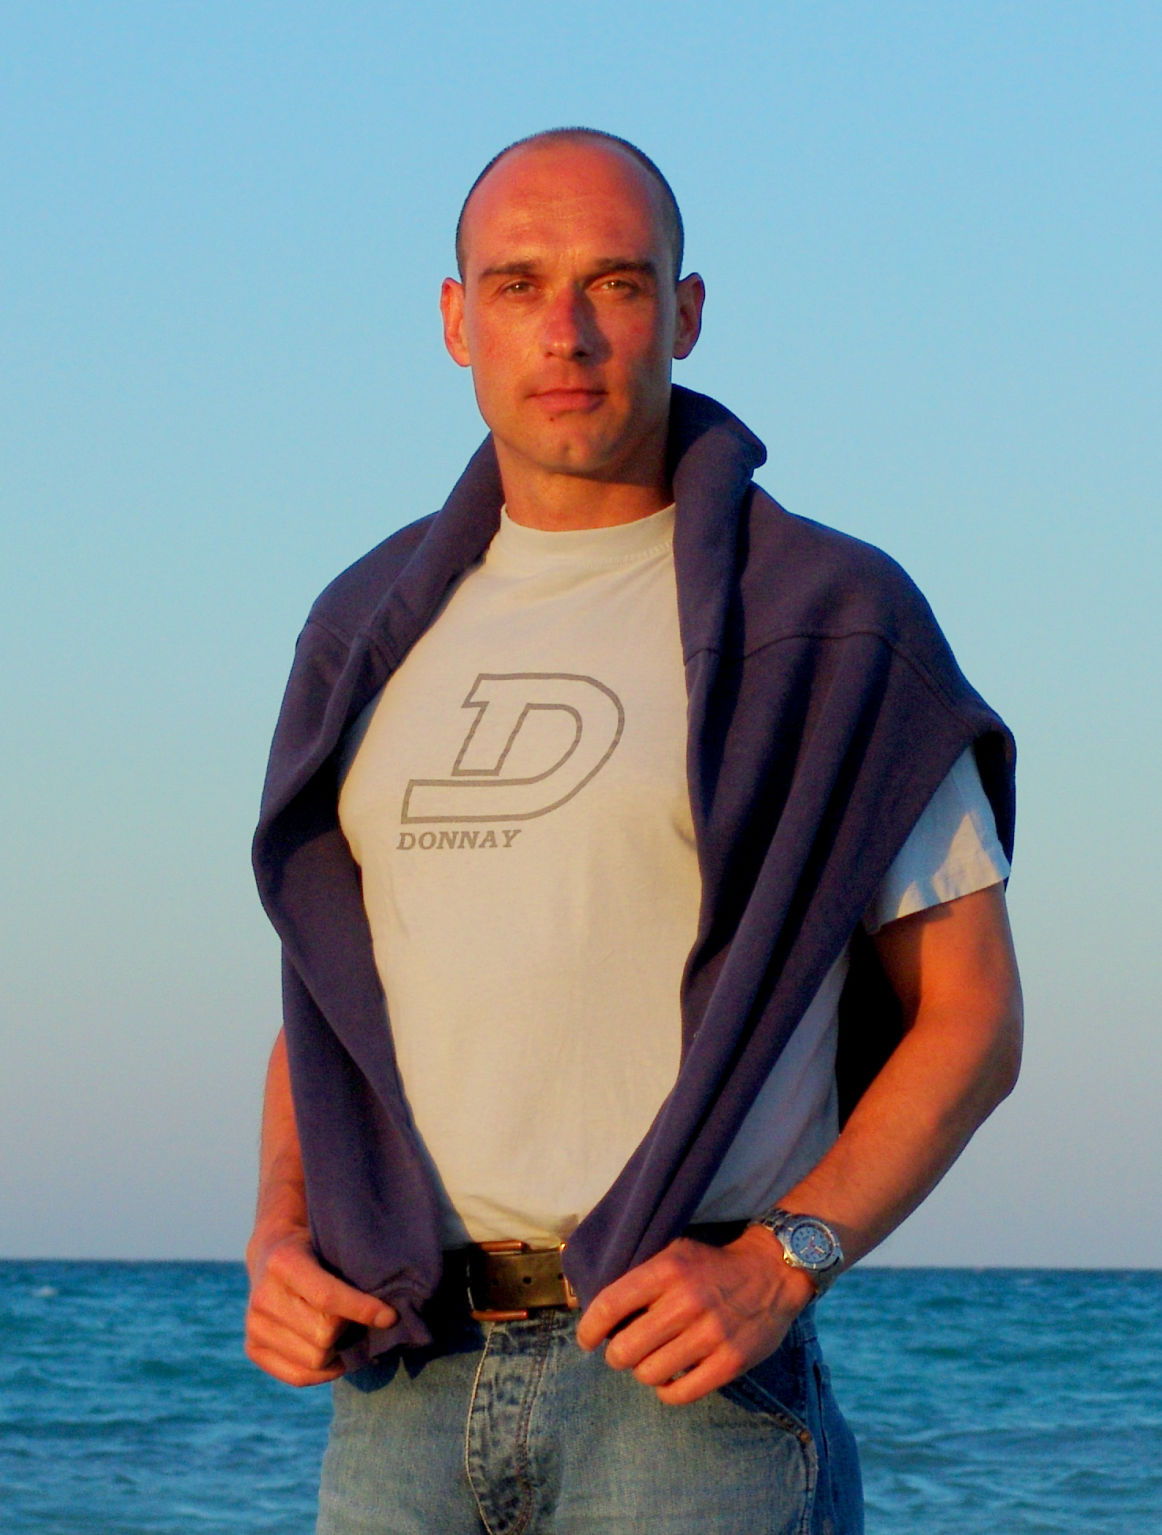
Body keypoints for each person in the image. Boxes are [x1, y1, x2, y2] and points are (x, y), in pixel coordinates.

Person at [246, 127, 1022, 1534]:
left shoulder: (830, 624)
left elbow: (969, 1018)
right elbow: (337, 1004)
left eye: (614, 282)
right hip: (401, 1380)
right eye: (518, 284)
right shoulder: (362, 628)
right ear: (455, 321)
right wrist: (282, 1232)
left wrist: (781, 1265)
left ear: (684, 311)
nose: (566, 330)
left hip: (684, 1397)